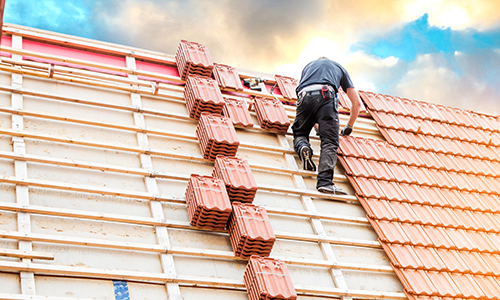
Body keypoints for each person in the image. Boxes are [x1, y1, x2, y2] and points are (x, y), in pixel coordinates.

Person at [292, 57, 361, 194]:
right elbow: (356, 103)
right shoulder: (339, 68)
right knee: (329, 141)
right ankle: (325, 182)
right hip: (325, 96)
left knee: (300, 133)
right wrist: (350, 125)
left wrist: (317, 128)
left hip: (303, 97)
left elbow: (311, 108)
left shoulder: (308, 67)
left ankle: (303, 147)